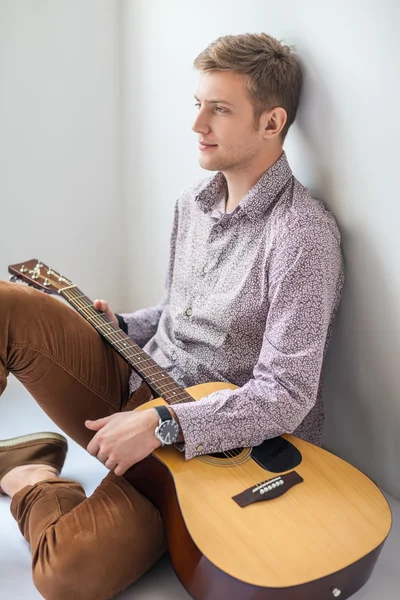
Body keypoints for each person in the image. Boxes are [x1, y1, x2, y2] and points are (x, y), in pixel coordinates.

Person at [0, 33, 344, 600]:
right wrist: (122, 326)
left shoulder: (302, 236)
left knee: (69, 574)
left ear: (271, 122)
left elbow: (286, 392)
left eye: (220, 109)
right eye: (197, 105)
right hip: (137, 384)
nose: (197, 125)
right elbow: (176, 315)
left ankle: (28, 472)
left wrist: (163, 425)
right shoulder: (193, 202)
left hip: (211, 451)